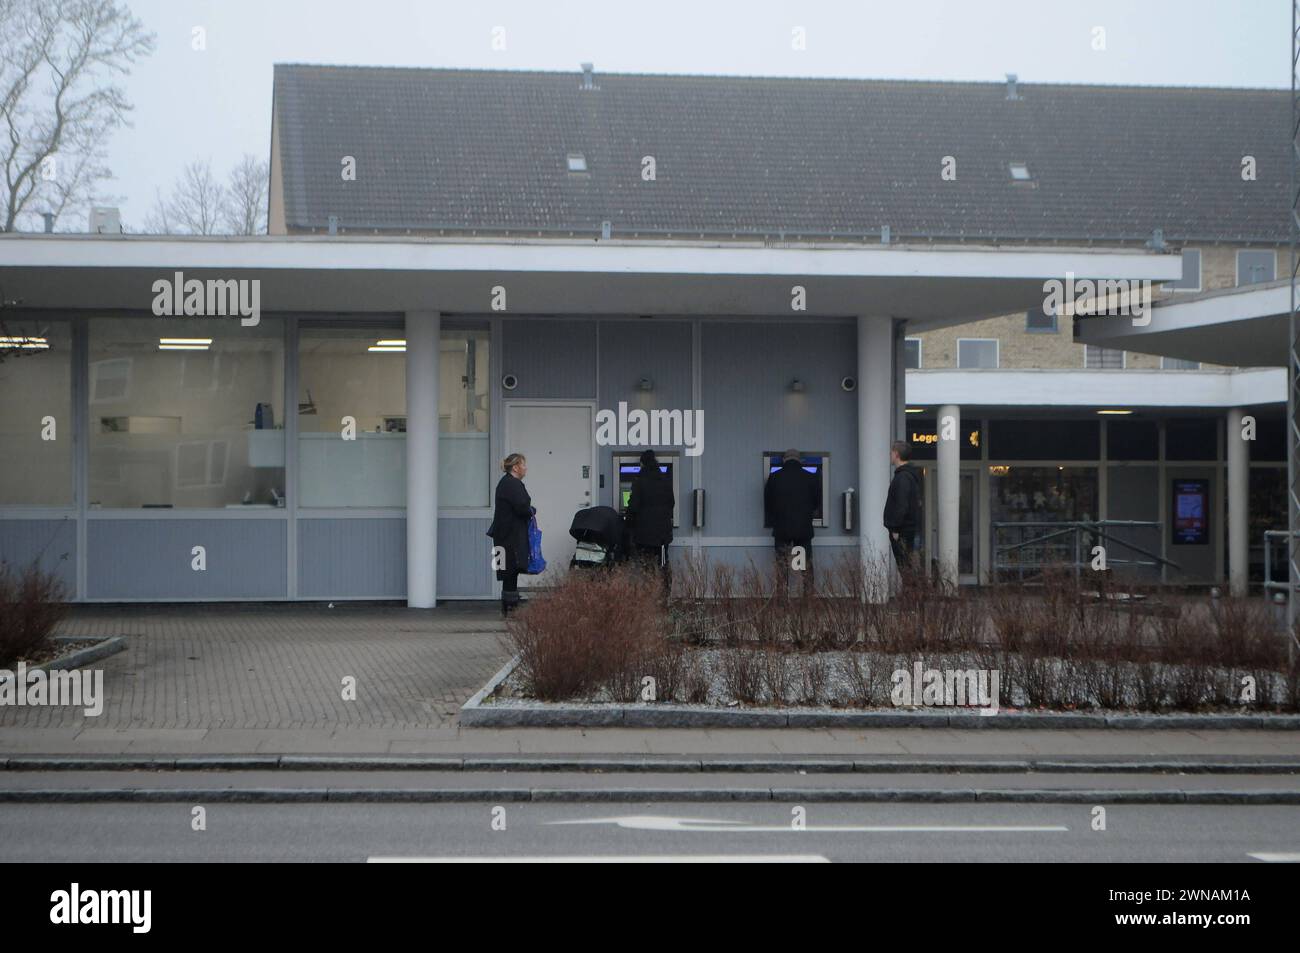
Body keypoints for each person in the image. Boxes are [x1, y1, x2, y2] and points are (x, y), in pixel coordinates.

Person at [764, 448, 821, 599]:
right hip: (802, 530)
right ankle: (807, 597)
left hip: (782, 529)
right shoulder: (811, 477)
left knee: (782, 565)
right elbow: (816, 503)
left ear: (784, 461)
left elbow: (768, 503)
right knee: (804, 565)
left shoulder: (775, 477)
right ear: (799, 461)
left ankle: (782, 598)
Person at [486, 453, 534, 616]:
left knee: (508, 571)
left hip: (504, 535)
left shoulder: (505, 483)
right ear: (516, 467)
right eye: (524, 464)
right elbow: (522, 507)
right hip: (510, 536)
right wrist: (531, 510)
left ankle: (509, 604)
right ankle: (510, 607)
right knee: (511, 569)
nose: (526, 468)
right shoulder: (513, 484)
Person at [625, 449, 675, 597]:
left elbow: (633, 507)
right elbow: (671, 503)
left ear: (642, 463)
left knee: (646, 564)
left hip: (644, 534)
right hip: (662, 534)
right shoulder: (665, 480)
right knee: (663, 564)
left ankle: (648, 596)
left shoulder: (639, 481)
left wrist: (628, 521)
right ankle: (665, 595)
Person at [883, 440, 922, 582]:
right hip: (907, 529)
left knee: (906, 570)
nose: (890, 455)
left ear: (897, 454)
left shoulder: (902, 478)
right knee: (909, 570)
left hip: (902, 532)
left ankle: (912, 601)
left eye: (891, 452)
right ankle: (913, 600)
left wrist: (895, 529)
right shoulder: (909, 476)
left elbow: (901, 505)